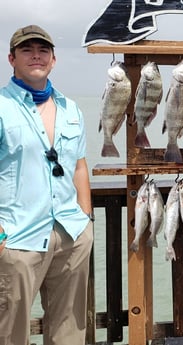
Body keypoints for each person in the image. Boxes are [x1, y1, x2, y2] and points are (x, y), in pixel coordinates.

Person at [0, 25, 94, 345]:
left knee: (70, 329)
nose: (36, 55)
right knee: (10, 330)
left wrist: (86, 221)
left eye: (43, 50)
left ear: (54, 60)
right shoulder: (1, 106)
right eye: (27, 50)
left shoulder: (71, 109)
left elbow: (79, 165)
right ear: (12, 59)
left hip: (70, 232)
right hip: (17, 236)